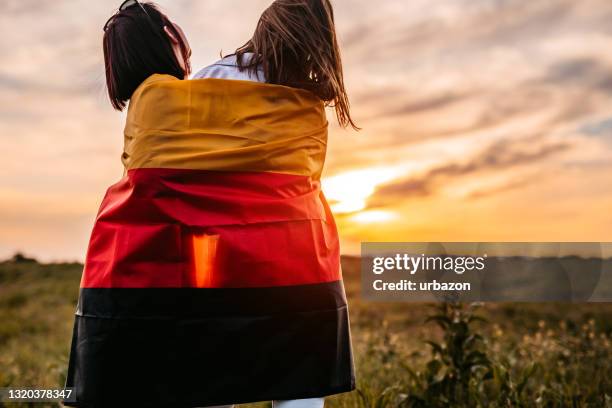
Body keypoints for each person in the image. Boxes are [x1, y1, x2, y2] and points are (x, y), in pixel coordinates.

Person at [65, 1, 356, 407]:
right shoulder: (307, 100)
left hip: (215, 268)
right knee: (300, 387)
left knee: (214, 380)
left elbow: (172, 184)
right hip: (296, 264)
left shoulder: (201, 83)